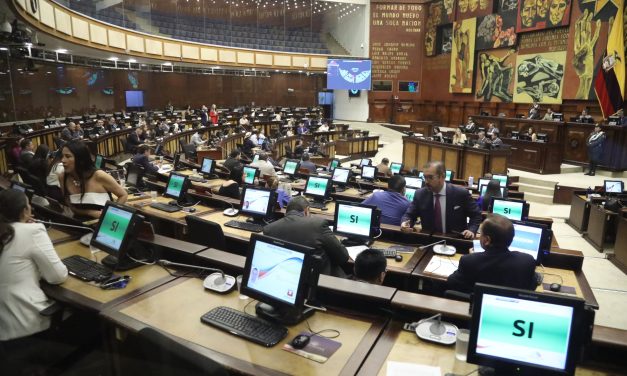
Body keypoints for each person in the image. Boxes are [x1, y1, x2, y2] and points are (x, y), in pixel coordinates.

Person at [0, 189, 68, 341]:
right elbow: (57, 277)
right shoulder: (32, 231)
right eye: (29, 205)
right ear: (25, 211)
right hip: (25, 323)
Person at [446, 214, 537, 293]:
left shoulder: (469, 261)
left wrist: (473, 256)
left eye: (481, 234)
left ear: (487, 240)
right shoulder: (527, 261)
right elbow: (532, 286)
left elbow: (451, 282)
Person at [263, 196, 349, 278]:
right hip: (316, 281)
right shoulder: (317, 225)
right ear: (307, 210)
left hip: (283, 276)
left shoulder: (269, 229)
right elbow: (343, 257)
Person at [401, 161, 481, 238]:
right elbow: (409, 215)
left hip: (456, 240)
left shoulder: (460, 193)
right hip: (429, 240)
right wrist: (405, 223)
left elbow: (476, 215)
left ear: (442, 176)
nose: (426, 181)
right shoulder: (420, 194)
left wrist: (471, 230)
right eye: (425, 177)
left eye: (430, 177)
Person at [59, 140, 128, 218]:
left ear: (80, 159)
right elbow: (73, 208)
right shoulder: (62, 177)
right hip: (80, 224)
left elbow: (123, 195)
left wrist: (109, 214)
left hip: (104, 223)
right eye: (62, 156)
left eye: (68, 156)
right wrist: (90, 212)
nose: (63, 160)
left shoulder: (99, 175)